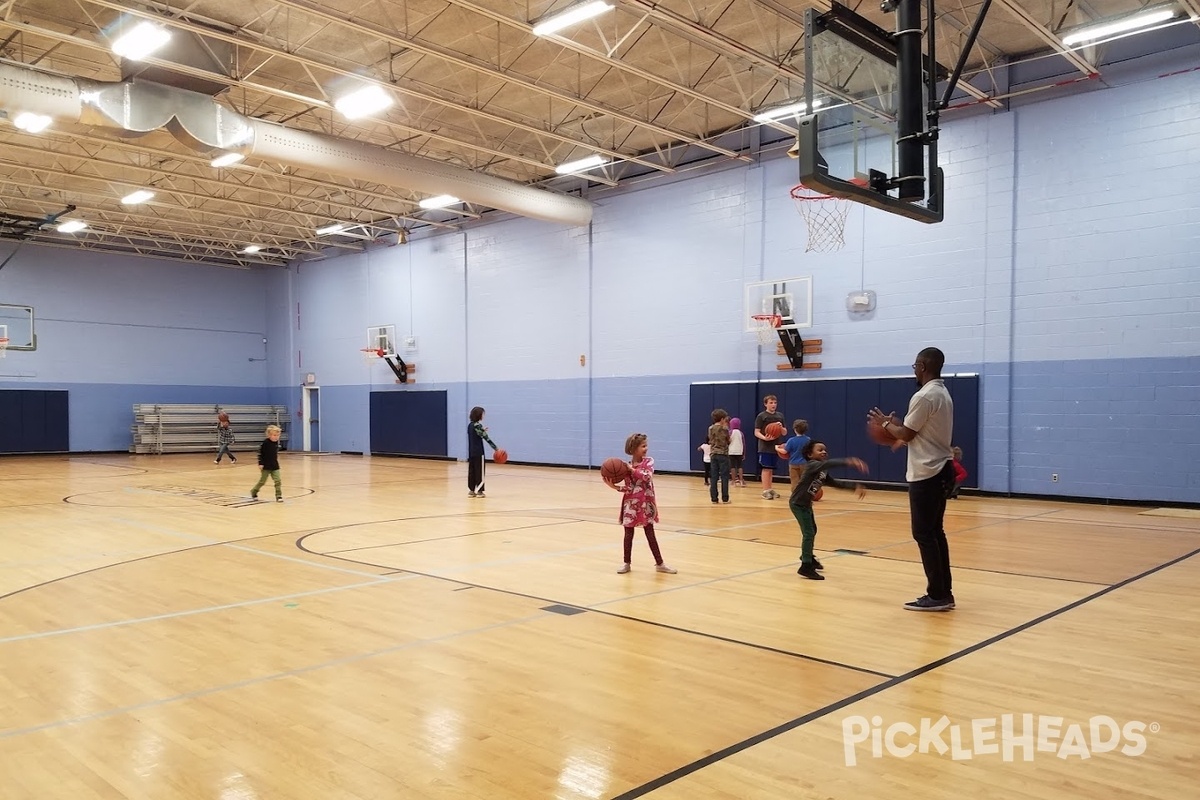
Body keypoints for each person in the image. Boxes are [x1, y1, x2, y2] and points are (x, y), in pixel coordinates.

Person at [867, 347, 956, 611]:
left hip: (927, 472)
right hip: (942, 467)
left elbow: (905, 433)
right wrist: (897, 431)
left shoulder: (924, 396)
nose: (914, 370)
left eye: (915, 366)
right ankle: (943, 592)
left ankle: (937, 595)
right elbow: (915, 434)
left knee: (924, 533)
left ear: (922, 366)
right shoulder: (942, 393)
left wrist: (885, 424)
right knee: (935, 533)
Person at [789, 440, 867, 580]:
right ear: (810, 454)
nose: (824, 451)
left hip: (805, 504)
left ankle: (807, 556)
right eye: (819, 450)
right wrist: (848, 461)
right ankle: (805, 566)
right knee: (809, 533)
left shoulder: (822, 471)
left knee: (812, 530)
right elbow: (828, 463)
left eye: (825, 449)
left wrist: (854, 487)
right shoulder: (812, 465)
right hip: (798, 504)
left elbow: (835, 483)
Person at [604, 433, 676, 575]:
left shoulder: (648, 462)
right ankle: (626, 563)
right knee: (628, 534)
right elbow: (629, 487)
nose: (646, 448)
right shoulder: (625, 467)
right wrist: (615, 487)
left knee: (650, 533)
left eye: (646, 445)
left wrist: (632, 470)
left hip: (646, 504)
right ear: (633, 449)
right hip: (630, 504)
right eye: (643, 446)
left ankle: (660, 563)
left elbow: (646, 476)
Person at [754, 395, 786, 500]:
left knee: (771, 469)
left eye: (775, 403)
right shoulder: (761, 416)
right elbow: (756, 432)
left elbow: (784, 433)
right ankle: (765, 490)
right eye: (771, 403)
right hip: (765, 446)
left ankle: (770, 489)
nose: (773, 405)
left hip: (775, 446)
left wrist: (781, 427)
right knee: (766, 468)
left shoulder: (780, 416)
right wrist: (764, 438)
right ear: (765, 404)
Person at [467, 406, 500, 497]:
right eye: (482, 414)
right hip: (479, 452)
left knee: (472, 471)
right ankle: (480, 491)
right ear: (479, 415)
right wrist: (496, 448)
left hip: (471, 452)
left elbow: (476, 433)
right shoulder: (478, 425)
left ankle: (471, 490)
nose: (483, 416)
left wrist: (482, 430)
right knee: (479, 471)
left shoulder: (470, 425)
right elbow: (486, 438)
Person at [250, 424, 283, 502]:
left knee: (278, 480)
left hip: (274, 465)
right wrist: (261, 463)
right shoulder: (265, 443)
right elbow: (260, 453)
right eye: (274, 435)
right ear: (269, 435)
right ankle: (254, 491)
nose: (276, 437)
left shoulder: (276, 444)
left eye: (278, 435)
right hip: (266, 466)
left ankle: (278, 496)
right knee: (262, 481)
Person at [775, 419, 810, 488]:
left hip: (793, 464)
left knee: (795, 481)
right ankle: (805, 495)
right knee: (805, 481)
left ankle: (795, 496)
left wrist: (777, 448)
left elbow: (785, 451)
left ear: (795, 429)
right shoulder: (808, 440)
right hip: (805, 463)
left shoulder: (791, 440)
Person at [707, 408, 731, 504]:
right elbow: (728, 441)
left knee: (714, 477)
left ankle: (714, 498)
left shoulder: (710, 428)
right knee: (724, 477)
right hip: (723, 454)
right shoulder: (725, 429)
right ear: (722, 419)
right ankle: (725, 498)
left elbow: (710, 439)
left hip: (713, 454)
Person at [728, 417, 746, 486]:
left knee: (732, 466)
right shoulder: (741, 433)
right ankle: (741, 480)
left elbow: (727, 441)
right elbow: (744, 444)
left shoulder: (730, 432)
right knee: (740, 466)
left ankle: (733, 481)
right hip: (739, 451)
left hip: (731, 451)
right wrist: (744, 453)